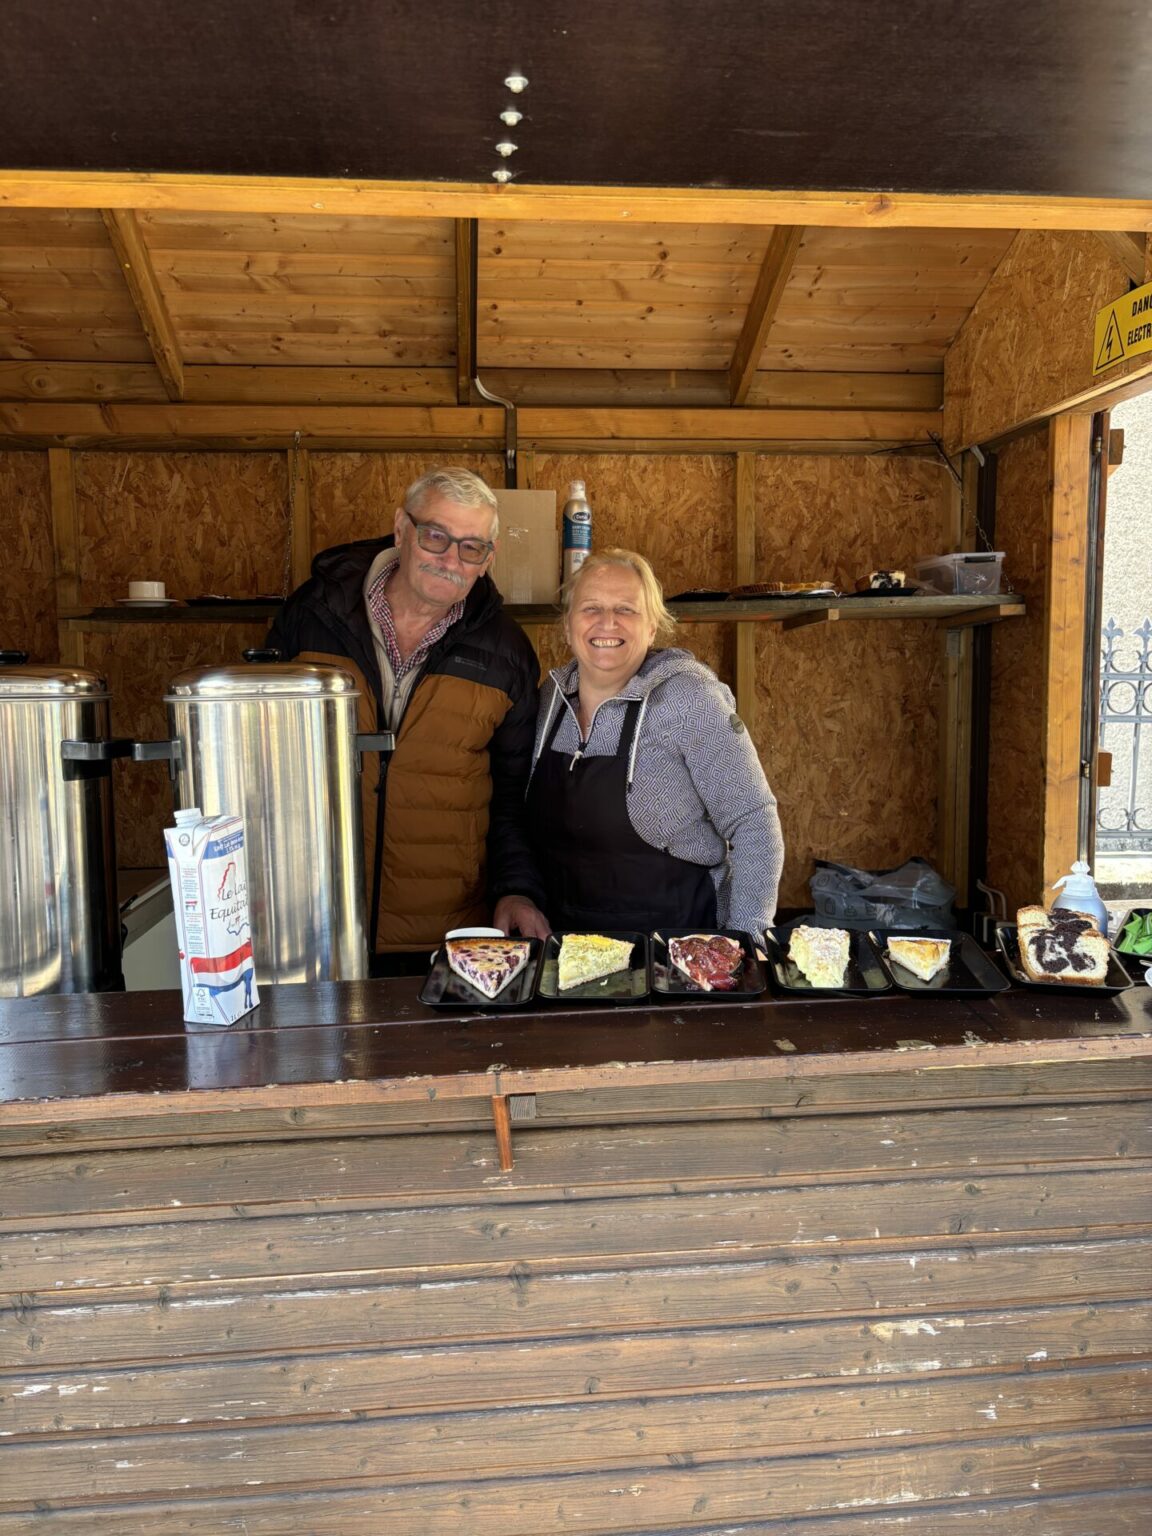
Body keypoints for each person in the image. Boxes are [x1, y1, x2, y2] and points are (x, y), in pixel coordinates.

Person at [268, 466, 549, 960]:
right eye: (436, 536)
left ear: (488, 559)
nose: (451, 560)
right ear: (401, 529)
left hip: (446, 939)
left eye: (471, 547)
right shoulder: (312, 615)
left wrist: (516, 890)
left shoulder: (507, 653)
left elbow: (513, 796)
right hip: (316, 923)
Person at [527, 549, 783, 934]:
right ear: (567, 626)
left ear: (651, 628)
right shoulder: (549, 701)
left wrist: (748, 935)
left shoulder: (689, 698)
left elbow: (754, 820)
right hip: (567, 947)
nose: (607, 622)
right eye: (591, 608)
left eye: (626, 609)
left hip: (678, 945)